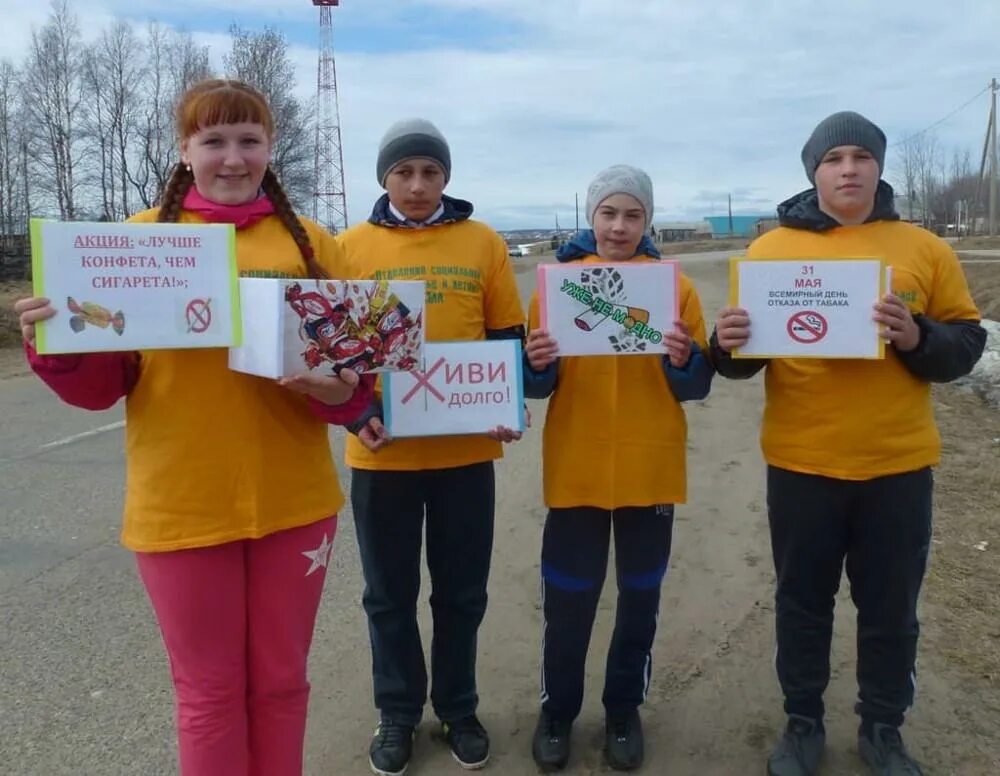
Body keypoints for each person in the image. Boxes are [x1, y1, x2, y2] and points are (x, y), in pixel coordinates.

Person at [13, 79, 374, 776]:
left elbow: (354, 388)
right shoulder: (133, 242)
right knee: (208, 694)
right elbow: (102, 390)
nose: (232, 158)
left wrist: (339, 392)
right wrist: (52, 344)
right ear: (185, 151)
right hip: (179, 506)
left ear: (270, 149)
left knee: (280, 684)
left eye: (249, 140)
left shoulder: (316, 245)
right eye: (213, 141)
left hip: (293, 505)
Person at [711, 111, 987, 776]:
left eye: (862, 156)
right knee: (802, 603)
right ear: (814, 170)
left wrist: (918, 336)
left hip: (897, 466)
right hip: (802, 463)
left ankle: (883, 728)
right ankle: (802, 721)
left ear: (879, 168)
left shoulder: (924, 250)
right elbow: (743, 360)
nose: (849, 169)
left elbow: (968, 345)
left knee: (890, 610)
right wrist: (727, 344)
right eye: (834, 158)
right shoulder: (770, 252)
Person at [335, 118, 526, 775]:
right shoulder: (347, 248)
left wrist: (508, 401)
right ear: (383, 177)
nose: (417, 185)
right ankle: (397, 712)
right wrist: (356, 414)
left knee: (461, 593)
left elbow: (506, 334)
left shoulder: (483, 242)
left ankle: (459, 706)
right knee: (387, 594)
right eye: (404, 172)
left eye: (430, 172)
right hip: (382, 453)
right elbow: (331, 351)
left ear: (447, 177)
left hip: (466, 454)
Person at [523, 165, 713, 772]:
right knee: (569, 601)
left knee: (639, 597)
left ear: (648, 220)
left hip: (649, 468)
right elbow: (535, 381)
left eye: (633, 215)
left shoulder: (673, 287)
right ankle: (558, 711)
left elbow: (697, 383)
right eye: (609, 213)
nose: (619, 226)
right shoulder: (556, 284)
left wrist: (684, 360)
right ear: (591, 216)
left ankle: (624, 708)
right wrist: (538, 362)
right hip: (576, 468)